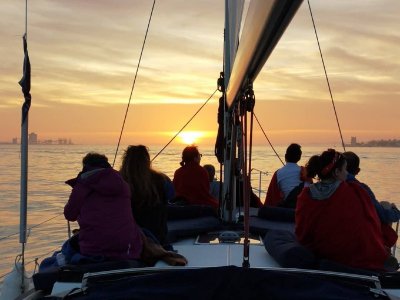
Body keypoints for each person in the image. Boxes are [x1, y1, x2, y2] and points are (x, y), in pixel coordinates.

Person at [296, 148, 397, 271]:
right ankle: (385, 254)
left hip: (320, 250)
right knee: (382, 214)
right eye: (344, 170)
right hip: (350, 256)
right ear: (337, 172)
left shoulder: (305, 195)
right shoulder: (355, 190)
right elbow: (369, 223)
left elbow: (302, 230)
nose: (346, 174)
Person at [64, 152, 143, 261]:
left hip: (93, 248)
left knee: (67, 248)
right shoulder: (123, 184)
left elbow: (69, 215)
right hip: (126, 246)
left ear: (85, 166)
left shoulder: (82, 186)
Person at [120, 145, 174, 247]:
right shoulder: (161, 180)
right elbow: (171, 196)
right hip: (158, 237)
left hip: (129, 239)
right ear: (147, 160)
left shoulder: (119, 181)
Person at [343, 151, 400, 224]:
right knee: (386, 205)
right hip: (359, 230)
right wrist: (395, 211)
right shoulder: (362, 189)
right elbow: (384, 215)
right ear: (358, 171)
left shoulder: (331, 186)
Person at [265, 143, 310, 208]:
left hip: (286, 209)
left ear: (286, 156)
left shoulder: (278, 173)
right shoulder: (305, 172)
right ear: (299, 157)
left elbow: (271, 197)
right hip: (302, 208)